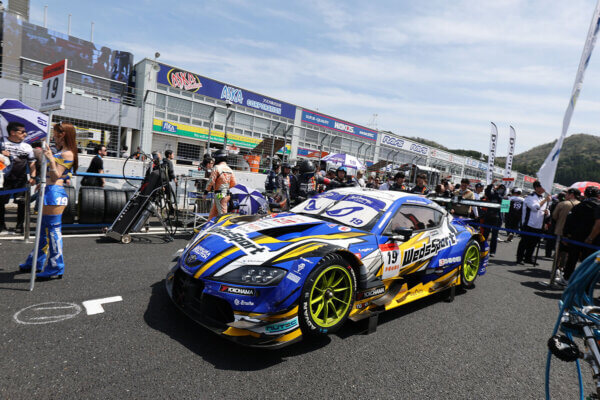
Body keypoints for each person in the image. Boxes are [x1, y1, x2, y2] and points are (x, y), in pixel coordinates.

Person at [19, 122, 78, 280]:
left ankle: (56, 267)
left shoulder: (68, 153)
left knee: (52, 231)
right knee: (42, 230)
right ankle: (36, 262)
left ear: (62, 134)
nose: (53, 136)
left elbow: (56, 176)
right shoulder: (61, 152)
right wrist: (42, 182)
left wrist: (51, 159)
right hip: (48, 191)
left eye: (55, 133)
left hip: (54, 193)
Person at [0, 122, 36, 233]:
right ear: (12, 132)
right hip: (4, 178)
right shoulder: (1, 142)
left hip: (21, 179)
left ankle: (20, 226)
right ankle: (1, 226)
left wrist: (33, 176)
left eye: (25, 132)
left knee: (22, 203)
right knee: (1, 203)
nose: (25, 134)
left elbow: (32, 163)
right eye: (22, 132)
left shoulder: (27, 147)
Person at [562, 186, 600, 283]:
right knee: (589, 262)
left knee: (572, 259)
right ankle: (585, 284)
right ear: (598, 195)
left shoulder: (579, 206)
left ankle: (566, 278)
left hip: (576, 237)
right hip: (593, 239)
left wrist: (565, 235)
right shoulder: (598, 206)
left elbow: (569, 221)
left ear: (585, 195)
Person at [516, 180, 551, 265]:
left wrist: (547, 212)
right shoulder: (530, 197)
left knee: (533, 243)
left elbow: (546, 211)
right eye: (542, 187)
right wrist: (545, 200)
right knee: (524, 242)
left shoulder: (542, 198)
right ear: (537, 188)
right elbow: (535, 207)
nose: (544, 189)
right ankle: (519, 258)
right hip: (529, 223)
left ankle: (528, 258)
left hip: (539, 225)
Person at [551, 188, 580, 285]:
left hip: (560, 231)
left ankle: (555, 271)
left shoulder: (563, 204)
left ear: (572, 194)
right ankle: (564, 271)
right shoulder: (580, 205)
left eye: (567, 194)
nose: (565, 195)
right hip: (574, 235)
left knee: (558, 253)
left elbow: (554, 216)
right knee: (569, 255)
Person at [205, 149, 236, 220]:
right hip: (227, 195)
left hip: (219, 195)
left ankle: (224, 226)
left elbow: (211, 181)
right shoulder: (230, 169)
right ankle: (208, 225)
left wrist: (205, 192)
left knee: (223, 216)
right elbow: (233, 184)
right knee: (212, 215)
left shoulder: (216, 167)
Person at [483, 182, 506, 257]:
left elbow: (505, 210)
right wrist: (491, 184)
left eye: (502, 189)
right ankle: (482, 248)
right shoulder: (492, 195)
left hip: (498, 219)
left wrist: (497, 193)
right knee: (485, 234)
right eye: (499, 188)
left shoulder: (506, 198)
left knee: (494, 236)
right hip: (489, 217)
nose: (500, 190)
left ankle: (492, 251)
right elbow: (487, 192)